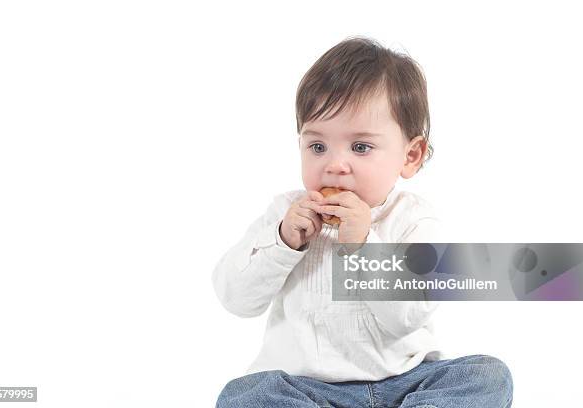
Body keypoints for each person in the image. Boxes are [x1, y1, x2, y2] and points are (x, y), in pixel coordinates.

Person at [212, 36, 513, 407]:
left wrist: (362, 245)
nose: (335, 164)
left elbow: (407, 315)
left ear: (411, 155)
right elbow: (235, 298)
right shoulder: (286, 214)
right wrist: (283, 242)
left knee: (485, 375)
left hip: (405, 383)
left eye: (360, 147)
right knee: (245, 395)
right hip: (306, 389)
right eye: (317, 146)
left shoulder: (414, 220)